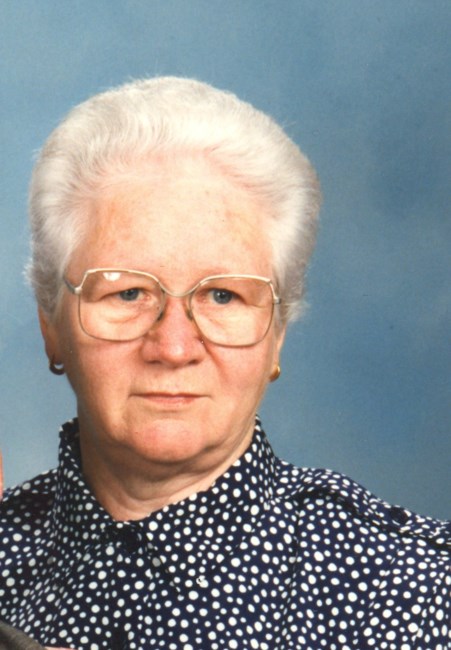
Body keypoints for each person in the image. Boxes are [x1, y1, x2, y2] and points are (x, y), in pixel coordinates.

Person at [0, 77, 449, 650]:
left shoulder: (418, 593)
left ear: (277, 332)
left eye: (223, 296)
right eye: (127, 292)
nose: (173, 347)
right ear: (51, 326)